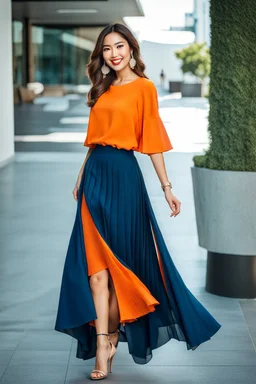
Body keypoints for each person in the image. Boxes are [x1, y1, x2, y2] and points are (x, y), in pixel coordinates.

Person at [54, 23, 221, 381]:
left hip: (125, 179)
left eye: (119, 46)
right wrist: (81, 175)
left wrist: (166, 186)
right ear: (101, 55)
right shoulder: (101, 88)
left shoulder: (145, 89)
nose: (113, 54)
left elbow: (153, 139)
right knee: (96, 271)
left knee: (119, 268)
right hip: (95, 175)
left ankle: (112, 336)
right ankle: (103, 344)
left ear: (131, 49)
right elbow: (93, 139)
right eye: (107, 49)